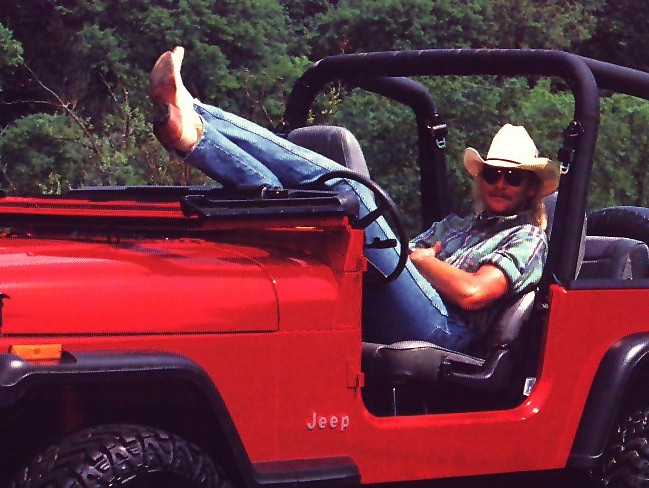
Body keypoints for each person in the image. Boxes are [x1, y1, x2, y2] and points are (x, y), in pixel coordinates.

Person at [149, 47, 559, 353]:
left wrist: (425, 261)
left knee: (357, 196)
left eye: (513, 177)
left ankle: (198, 114)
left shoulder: (527, 237)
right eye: (493, 173)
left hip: (446, 331)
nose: (501, 184)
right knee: (295, 200)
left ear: (530, 189)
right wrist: (417, 259)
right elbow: (405, 256)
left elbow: (472, 293)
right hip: (419, 305)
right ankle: (193, 136)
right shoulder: (457, 226)